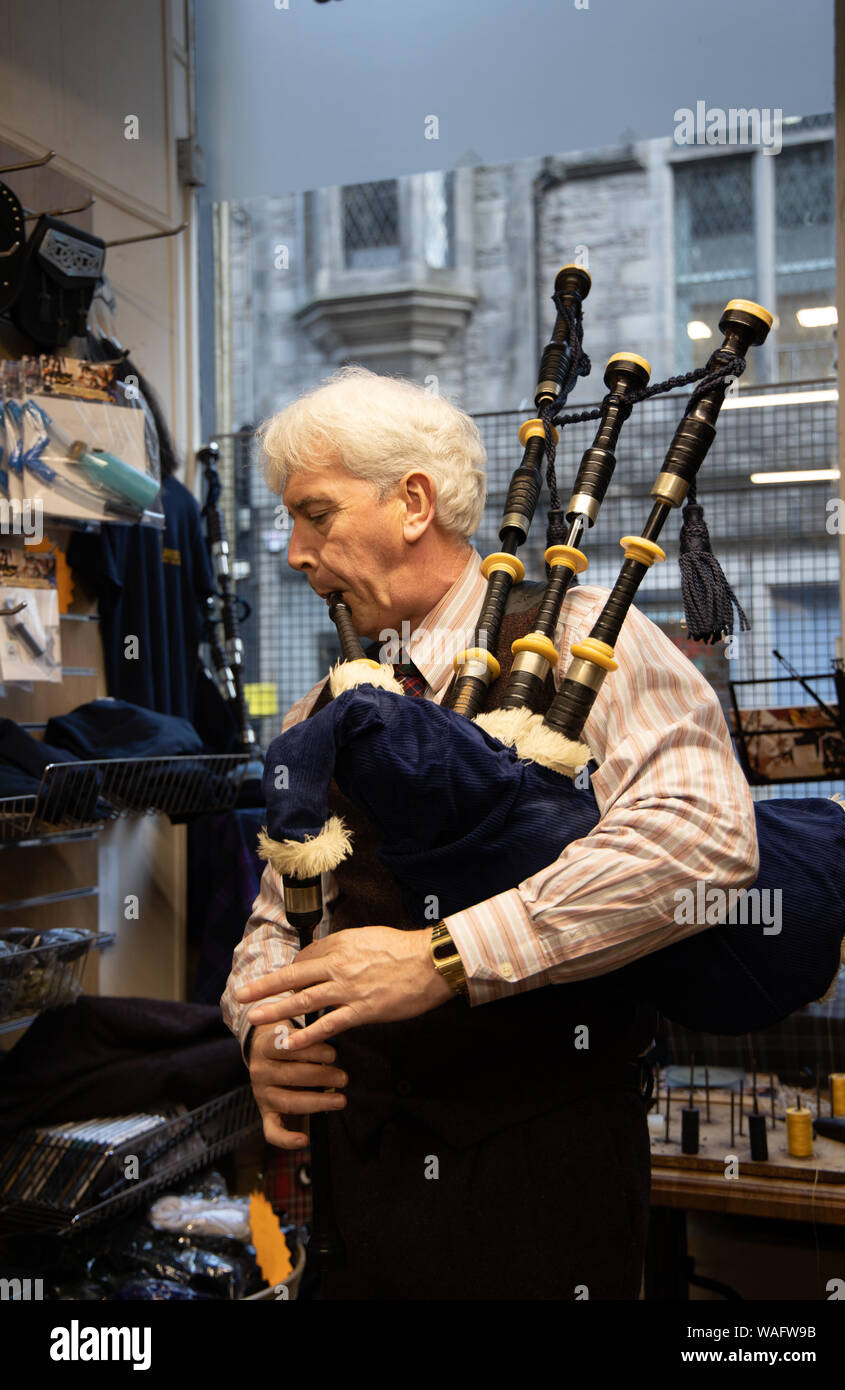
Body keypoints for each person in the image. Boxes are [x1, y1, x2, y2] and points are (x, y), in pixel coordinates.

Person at [221, 365, 759, 1301]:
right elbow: (279, 914)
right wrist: (258, 1030)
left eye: (316, 514)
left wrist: (445, 958)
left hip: (539, 1176)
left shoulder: (591, 637)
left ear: (413, 502)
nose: (296, 552)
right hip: (361, 1176)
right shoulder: (328, 704)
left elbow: (706, 841)